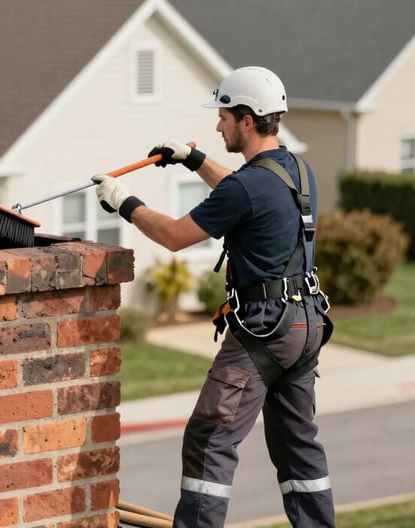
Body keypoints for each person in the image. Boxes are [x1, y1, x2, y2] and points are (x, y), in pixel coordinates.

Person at [92, 66, 336, 528]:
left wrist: (123, 201)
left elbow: (175, 236)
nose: (217, 125)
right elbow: (243, 191)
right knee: (297, 444)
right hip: (305, 324)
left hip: (265, 329)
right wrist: (193, 159)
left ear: (246, 119)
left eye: (223, 116)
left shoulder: (248, 186)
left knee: (210, 438)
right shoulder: (296, 170)